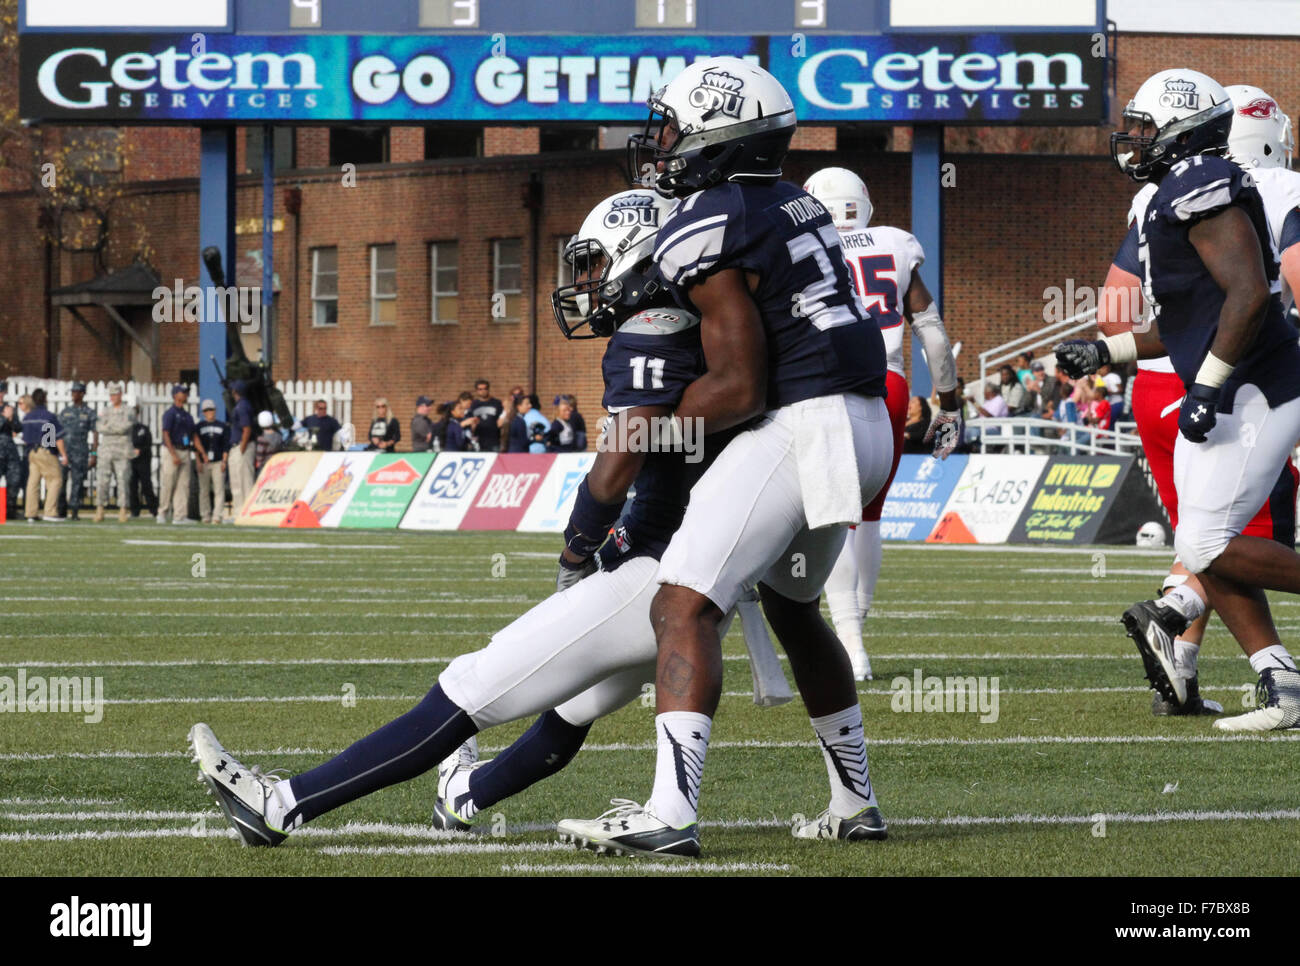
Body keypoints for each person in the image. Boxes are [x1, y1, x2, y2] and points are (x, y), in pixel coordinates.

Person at [187, 189, 765, 847]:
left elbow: (618, 464)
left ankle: (278, 805)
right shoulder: (720, 326)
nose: (586, 282)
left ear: (637, 254)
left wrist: (577, 548)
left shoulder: (650, 332)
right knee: (573, 708)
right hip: (706, 564)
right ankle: (465, 796)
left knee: (468, 689)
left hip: (660, 572)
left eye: (595, 263)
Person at [557, 58, 896, 857]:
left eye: (672, 127)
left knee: (681, 605)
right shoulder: (791, 198)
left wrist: (652, 433)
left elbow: (739, 389)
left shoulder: (709, 220)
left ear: (717, 135)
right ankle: (855, 802)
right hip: (868, 416)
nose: (661, 142)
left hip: (808, 422)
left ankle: (669, 812)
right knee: (792, 608)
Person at [1055, 68, 1300, 732]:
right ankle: (1282, 683)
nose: (1131, 139)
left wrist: (1210, 384)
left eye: (1144, 127)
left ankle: (1277, 681)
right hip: (1230, 382)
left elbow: (1249, 295)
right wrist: (1107, 353)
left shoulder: (1200, 184)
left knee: (1210, 542)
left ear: (1183, 130)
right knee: (1199, 544)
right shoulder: (1175, 190)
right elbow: (1194, 318)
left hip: (1256, 388)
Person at [804, 166, 963, 680]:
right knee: (870, 514)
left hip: (828, 385)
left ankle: (849, 643)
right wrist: (950, 403)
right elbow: (934, 337)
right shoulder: (894, 243)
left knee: (833, 514)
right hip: (890, 383)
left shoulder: (802, 247)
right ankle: (859, 635)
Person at [22, 388, 68, 521]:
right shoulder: (49, 416)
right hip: (46, 451)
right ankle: (50, 512)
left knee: (33, 482)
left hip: (32, 452)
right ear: (45, 399)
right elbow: (57, 438)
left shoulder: (27, 417)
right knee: (55, 479)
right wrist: (63, 454)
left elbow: (25, 438)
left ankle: (30, 513)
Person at [94, 382, 133, 523]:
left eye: (115, 394)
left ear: (120, 395)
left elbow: (126, 427)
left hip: (122, 450)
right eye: (111, 394)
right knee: (102, 480)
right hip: (106, 450)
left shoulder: (128, 411)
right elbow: (99, 427)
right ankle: (100, 509)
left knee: (123, 480)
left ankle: (123, 510)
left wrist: (109, 427)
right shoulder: (105, 411)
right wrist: (113, 428)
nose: (113, 397)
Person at [158, 384, 197, 524]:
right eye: (183, 392)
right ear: (175, 395)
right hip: (172, 450)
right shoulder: (170, 414)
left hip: (185, 450)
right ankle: (162, 512)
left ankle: (180, 515)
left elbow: (193, 434)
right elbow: (166, 434)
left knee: (183, 485)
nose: (185, 395)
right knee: (169, 483)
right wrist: (173, 454)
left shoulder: (187, 416)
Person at [58, 380, 95, 520]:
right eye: (72, 392)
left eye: (76, 392)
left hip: (80, 451)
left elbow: (95, 433)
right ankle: (61, 509)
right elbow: (57, 431)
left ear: (82, 394)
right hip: (65, 451)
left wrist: (94, 454)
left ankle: (74, 510)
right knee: (61, 480)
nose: (74, 394)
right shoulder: (65, 412)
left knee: (77, 481)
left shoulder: (89, 412)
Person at [195, 399, 230, 524]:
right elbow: (195, 445)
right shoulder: (199, 426)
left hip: (217, 461)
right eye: (206, 410)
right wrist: (198, 461)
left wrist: (224, 461)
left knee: (219, 490)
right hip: (204, 462)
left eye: (211, 409)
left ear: (215, 410)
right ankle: (205, 515)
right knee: (203, 490)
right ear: (203, 412)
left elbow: (226, 445)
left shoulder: (223, 426)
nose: (209, 412)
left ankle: (217, 516)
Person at [227, 381, 255, 520]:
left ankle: (246, 513)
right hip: (238, 446)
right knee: (238, 482)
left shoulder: (242, 407)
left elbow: (246, 429)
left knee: (244, 481)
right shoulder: (242, 405)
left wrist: (242, 448)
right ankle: (239, 513)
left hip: (241, 446)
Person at [128, 408, 157, 519]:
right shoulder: (126, 430)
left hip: (143, 461)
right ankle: (135, 511)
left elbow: (149, 443)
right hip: (131, 461)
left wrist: (140, 450)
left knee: (146, 486)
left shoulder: (143, 429)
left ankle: (154, 509)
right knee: (132, 486)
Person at [0, 380, 21, 520]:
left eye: (2, 392)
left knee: (15, 478)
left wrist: (12, 418)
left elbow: (18, 428)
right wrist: (4, 418)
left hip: (9, 448)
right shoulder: (5, 412)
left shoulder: (9, 408)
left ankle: (10, 509)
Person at [468, 379, 504, 452]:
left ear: (488, 389)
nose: (483, 391)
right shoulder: (473, 405)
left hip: (494, 440)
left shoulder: (497, 403)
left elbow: (501, 419)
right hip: (478, 441)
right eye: (480, 389)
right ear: (477, 391)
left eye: (485, 388)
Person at [254, 411, 283, 476]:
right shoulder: (278, 436)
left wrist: (258, 462)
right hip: (276, 466)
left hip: (265, 467)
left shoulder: (262, 438)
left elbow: (259, 456)